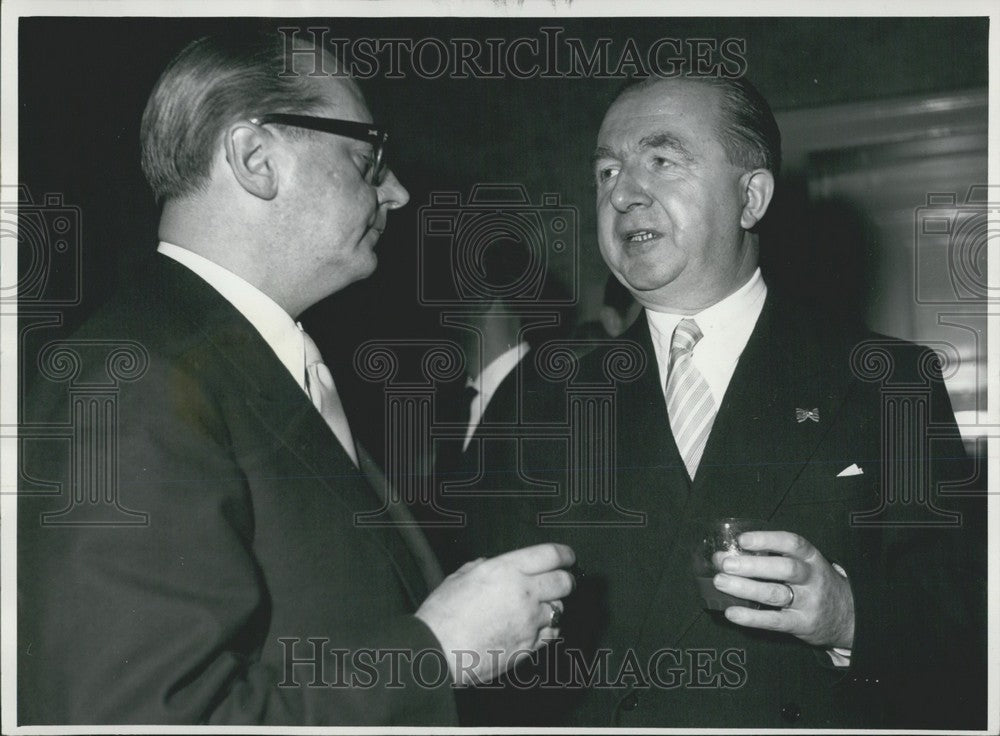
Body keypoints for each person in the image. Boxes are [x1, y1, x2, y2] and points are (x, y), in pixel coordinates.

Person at [17, 31, 575, 726]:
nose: (397, 192)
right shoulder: (135, 378)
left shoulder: (245, 359)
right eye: (367, 158)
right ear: (257, 160)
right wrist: (436, 650)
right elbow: (134, 715)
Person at [471, 76, 986, 728]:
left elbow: (963, 623)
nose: (623, 193)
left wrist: (846, 616)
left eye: (660, 161)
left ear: (751, 197)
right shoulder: (538, 390)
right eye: (607, 170)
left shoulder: (889, 382)